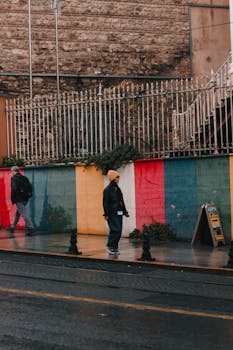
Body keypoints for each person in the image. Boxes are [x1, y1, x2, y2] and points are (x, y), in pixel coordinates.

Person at [103, 169, 129, 255]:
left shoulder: (117, 189)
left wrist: (125, 212)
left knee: (119, 230)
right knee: (115, 230)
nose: (119, 179)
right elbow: (105, 202)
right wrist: (106, 213)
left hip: (119, 212)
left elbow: (121, 201)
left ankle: (115, 247)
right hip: (112, 213)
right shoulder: (107, 190)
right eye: (118, 177)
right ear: (113, 178)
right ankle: (110, 246)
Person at [7, 166, 35, 237]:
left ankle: (30, 227)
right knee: (18, 213)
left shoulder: (14, 178)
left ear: (14, 171)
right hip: (25, 199)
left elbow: (14, 189)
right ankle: (13, 227)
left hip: (18, 199)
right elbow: (30, 187)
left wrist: (13, 199)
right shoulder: (24, 177)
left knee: (24, 213)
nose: (11, 172)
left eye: (12, 171)